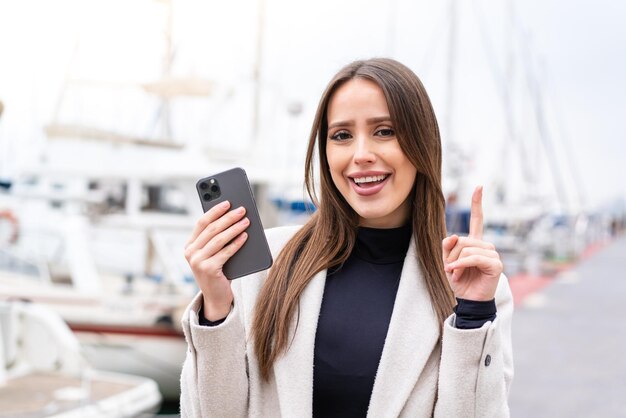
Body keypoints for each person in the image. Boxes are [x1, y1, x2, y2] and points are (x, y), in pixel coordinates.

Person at [180, 58, 513, 417]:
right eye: (341, 136)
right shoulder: (266, 264)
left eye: (384, 131)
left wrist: (473, 315)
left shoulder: (468, 282)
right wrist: (215, 309)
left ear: (422, 143)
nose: (361, 155)